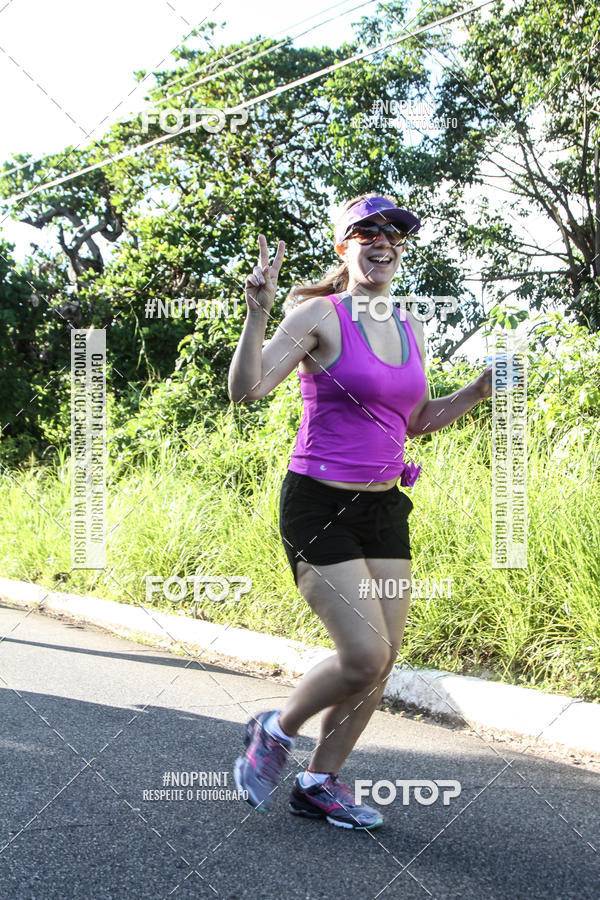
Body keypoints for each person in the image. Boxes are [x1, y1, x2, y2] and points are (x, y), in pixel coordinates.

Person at [228, 192, 493, 829]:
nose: (384, 243)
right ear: (344, 246)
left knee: (383, 661)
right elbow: (247, 390)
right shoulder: (320, 314)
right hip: (319, 505)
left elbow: (418, 421)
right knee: (363, 656)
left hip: (384, 510)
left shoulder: (411, 324)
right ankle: (275, 729)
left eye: (394, 236)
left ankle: (320, 782)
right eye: (367, 232)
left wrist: (480, 391)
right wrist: (258, 312)